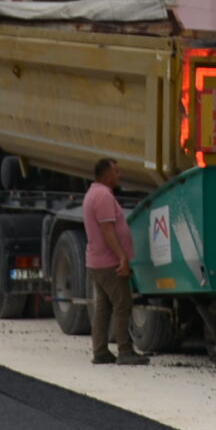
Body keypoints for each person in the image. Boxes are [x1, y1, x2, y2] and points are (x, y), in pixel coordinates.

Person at [82, 157, 146, 366]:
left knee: (103, 307)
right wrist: (122, 256)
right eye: (116, 172)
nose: (119, 175)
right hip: (108, 262)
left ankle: (100, 351)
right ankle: (125, 350)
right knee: (122, 303)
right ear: (107, 175)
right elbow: (108, 230)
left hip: (96, 261)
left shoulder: (94, 193)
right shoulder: (103, 196)